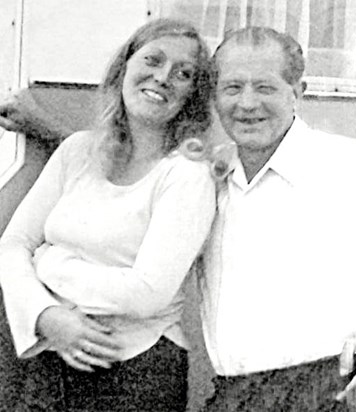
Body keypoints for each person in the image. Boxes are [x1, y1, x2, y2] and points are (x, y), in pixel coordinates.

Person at [0, 18, 216, 412]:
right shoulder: (77, 152)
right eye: (153, 59)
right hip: (50, 358)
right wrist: (46, 315)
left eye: (183, 74)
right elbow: (12, 244)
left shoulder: (186, 175)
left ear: (193, 95)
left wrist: (49, 264)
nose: (163, 77)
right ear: (125, 67)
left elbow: (147, 293)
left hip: (135, 373)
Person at [199, 27, 356, 411]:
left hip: (335, 391)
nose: (247, 103)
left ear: (298, 92)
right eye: (232, 88)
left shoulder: (350, 164)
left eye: (265, 87)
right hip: (234, 398)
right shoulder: (202, 177)